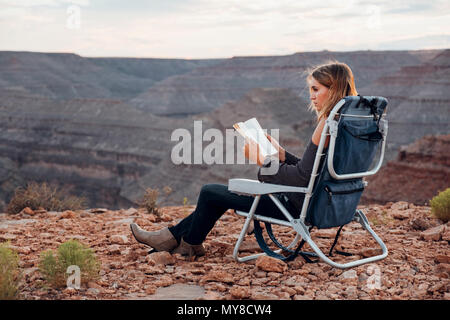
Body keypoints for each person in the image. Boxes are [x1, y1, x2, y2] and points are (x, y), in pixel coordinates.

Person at [130, 61, 358, 257]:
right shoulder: (351, 122)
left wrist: (262, 161)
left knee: (211, 192)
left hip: (299, 207)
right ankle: (181, 241)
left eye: (317, 89)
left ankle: (183, 242)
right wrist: (282, 155)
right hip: (332, 203)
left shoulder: (327, 124)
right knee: (218, 194)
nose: (312, 96)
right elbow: (317, 169)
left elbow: (301, 179)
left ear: (334, 88)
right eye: (311, 89)